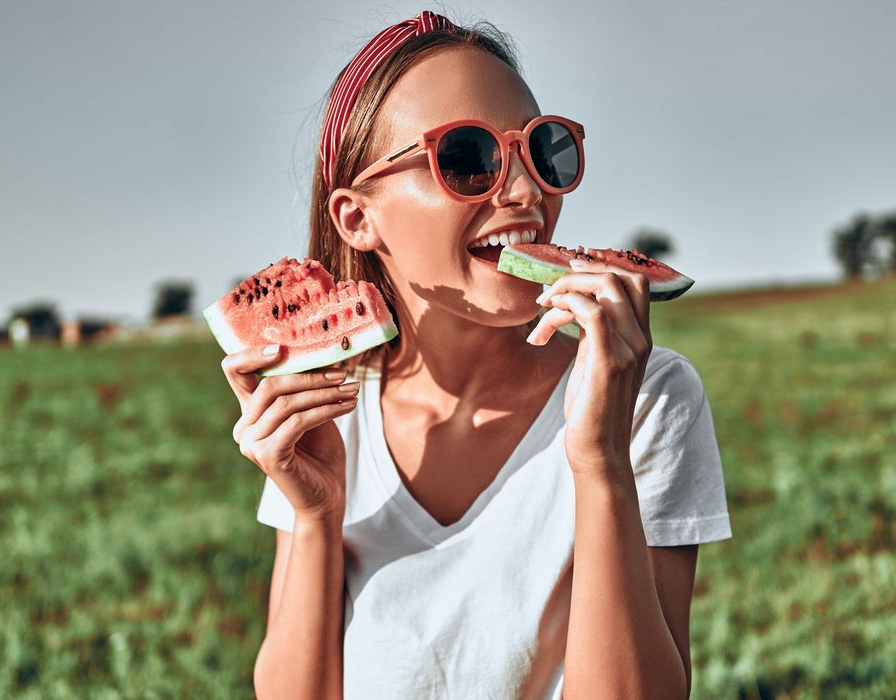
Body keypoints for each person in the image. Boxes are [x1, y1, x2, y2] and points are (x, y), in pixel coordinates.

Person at [219, 10, 731, 699]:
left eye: (542, 151)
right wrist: (315, 516)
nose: (524, 192)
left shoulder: (647, 396)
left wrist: (599, 460)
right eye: (466, 159)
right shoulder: (325, 405)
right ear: (356, 218)